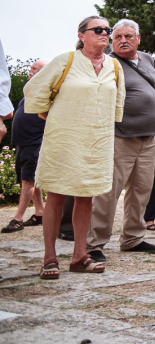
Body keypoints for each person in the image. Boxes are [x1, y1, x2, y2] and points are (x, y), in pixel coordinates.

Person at [24, 16, 126, 278]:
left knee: (86, 196)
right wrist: (48, 113)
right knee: (56, 195)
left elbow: (118, 105)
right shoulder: (65, 61)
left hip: (97, 140)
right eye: (98, 29)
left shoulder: (114, 66)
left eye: (107, 30)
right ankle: (50, 257)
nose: (104, 33)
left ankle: (80, 255)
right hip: (64, 138)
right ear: (81, 35)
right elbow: (34, 89)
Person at [87, 20, 155, 262]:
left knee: (141, 190)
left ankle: (132, 238)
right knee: (109, 192)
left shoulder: (147, 59)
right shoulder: (107, 63)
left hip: (149, 137)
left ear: (138, 38)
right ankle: (94, 243)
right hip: (120, 136)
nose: (122, 41)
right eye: (117, 36)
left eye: (128, 36)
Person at [3, 59, 47, 233]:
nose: (30, 71)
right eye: (31, 68)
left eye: (34, 69)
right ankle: (40, 213)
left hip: (34, 141)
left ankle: (18, 218)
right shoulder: (30, 91)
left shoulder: (47, 92)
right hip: (22, 141)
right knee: (31, 179)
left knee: (27, 181)